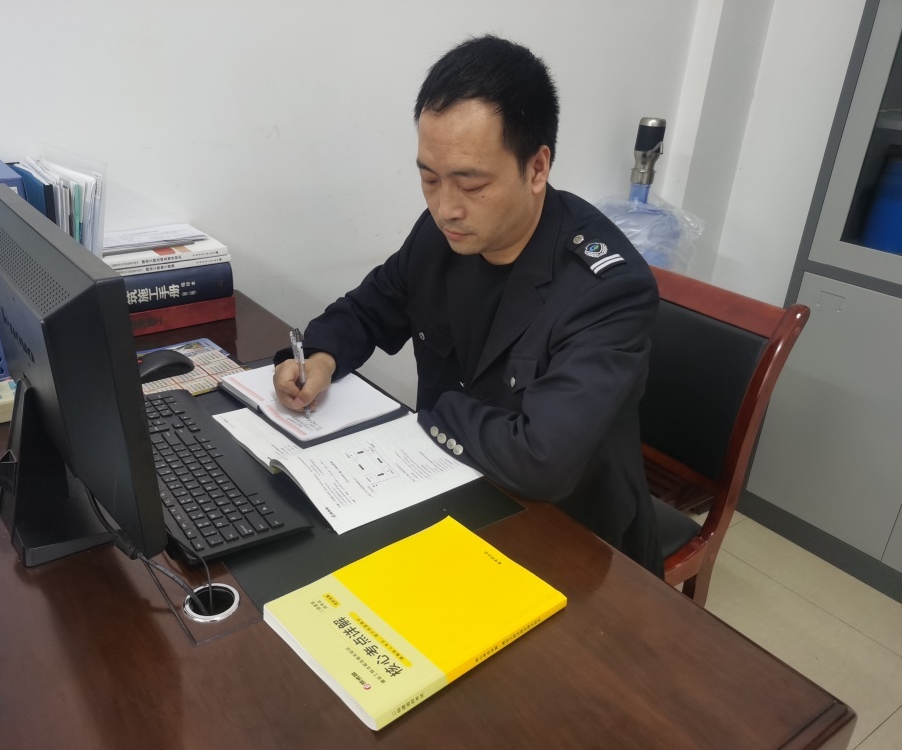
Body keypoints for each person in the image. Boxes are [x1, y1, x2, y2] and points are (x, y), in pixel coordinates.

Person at [273, 35, 663, 575]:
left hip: (574, 540)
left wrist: (434, 412)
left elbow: (542, 461)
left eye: (470, 183)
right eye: (429, 179)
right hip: (454, 490)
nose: (445, 208)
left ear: (537, 168)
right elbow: (370, 307)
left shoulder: (606, 291)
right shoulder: (442, 237)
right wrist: (320, 356)